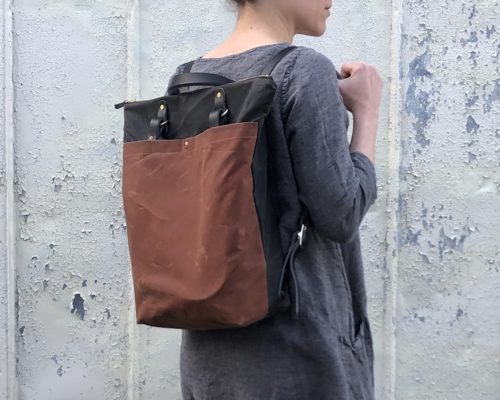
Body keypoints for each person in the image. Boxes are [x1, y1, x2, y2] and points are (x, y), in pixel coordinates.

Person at [172, 0, 383, 399]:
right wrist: (367, 111)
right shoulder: (304, 71)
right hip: (298, 357)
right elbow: (341, 213)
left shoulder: (187, 79)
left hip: (208, 356)